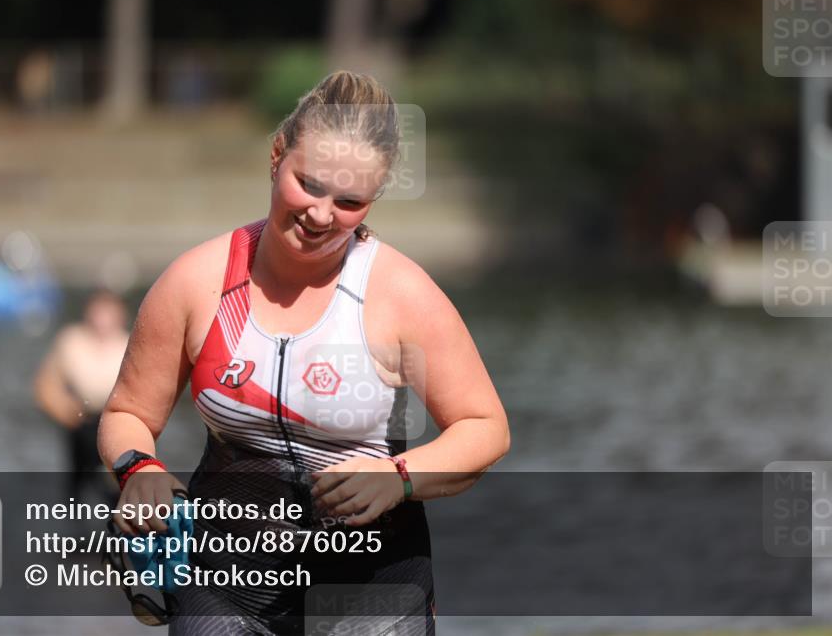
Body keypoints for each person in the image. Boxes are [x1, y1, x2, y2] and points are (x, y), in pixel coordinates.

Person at [99, 71, 510, 634]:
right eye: (310, 185)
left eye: (349, 201)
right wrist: (138, 467)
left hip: (372, 587)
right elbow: (128, 413)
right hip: (224, 584)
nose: (321, 215)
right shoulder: (196, 283)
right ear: (276, 155)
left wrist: (400, 476)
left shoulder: (400, 294)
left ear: (375, 197)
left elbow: (484, 427)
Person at [35, 289, 130, 501]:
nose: (102, 318)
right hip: (80, 421)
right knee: (77, 482)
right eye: (99, 311)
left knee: (114, 483)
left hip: (117, 421)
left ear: (120, 315)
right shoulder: (71, 340)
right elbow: (45, 385)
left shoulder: (129, 344)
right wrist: (64, 410)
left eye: (108, 312)